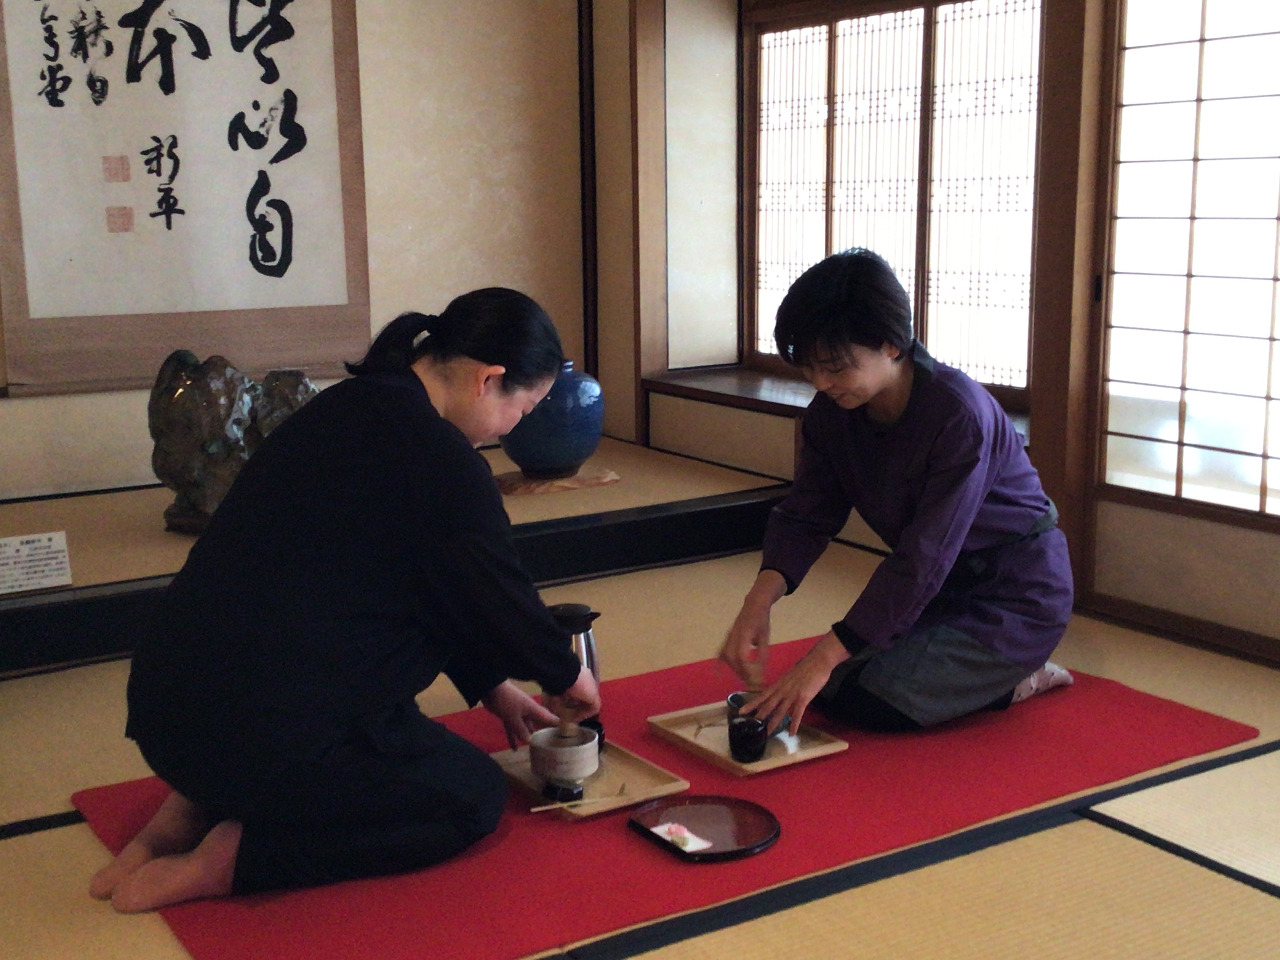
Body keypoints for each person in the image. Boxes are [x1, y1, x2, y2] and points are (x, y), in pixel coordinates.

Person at [91, 288, 601, 913]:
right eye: (523, 408)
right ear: (488, 380)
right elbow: (496, 594)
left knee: (310, 665)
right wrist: (565, 673)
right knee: (469, 796)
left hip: (167, 714)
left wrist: (492, 686)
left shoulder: (341, 408)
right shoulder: (442, 460)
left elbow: (417, 586)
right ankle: (230, 859)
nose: (513, 427)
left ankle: (187, 811)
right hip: (257, 739)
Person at [720, 249, 1074, 736]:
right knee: (832, 688)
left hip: (1014, 596)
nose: (820, 383)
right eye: (809, 368)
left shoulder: (959, 416)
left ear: (890, 344)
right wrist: (756, 605)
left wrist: (823, 656)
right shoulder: (833, 412)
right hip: (937, 592)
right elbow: (807, 513)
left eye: (835, 367)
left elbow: (924, 554)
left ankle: (1018, 676)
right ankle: (964, 672)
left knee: (870, 699)